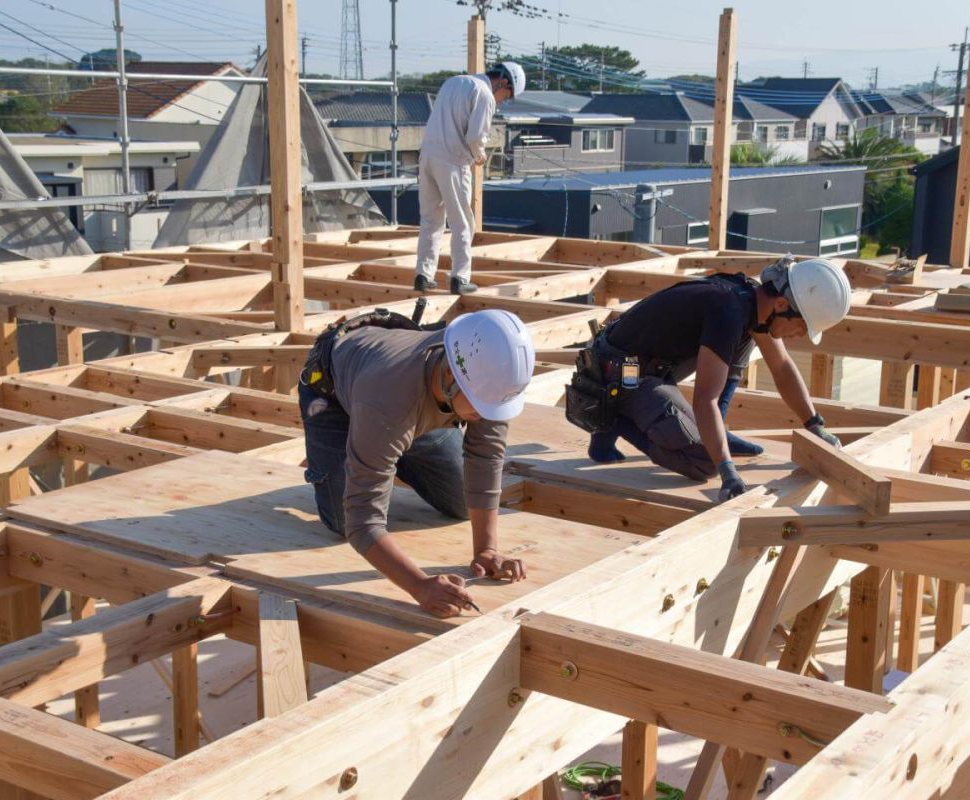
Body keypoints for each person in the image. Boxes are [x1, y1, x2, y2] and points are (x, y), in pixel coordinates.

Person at [298, 308, 535, 618]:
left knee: (460, 502)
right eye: (481, 407)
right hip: (334, 395)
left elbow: (486, 456)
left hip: (402, 406)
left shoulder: (489, 382)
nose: (488, 416)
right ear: (451, 375)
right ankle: (370, 458)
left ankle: (384, 455)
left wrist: (487, 550)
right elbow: (362, 522)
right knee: (342, 520)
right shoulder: (386, 399)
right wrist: (419, 585)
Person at [574, 256, 852, 501]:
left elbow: (781, 367)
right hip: (623, 374)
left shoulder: (751, 301)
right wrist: (727, 472)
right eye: (802, 326)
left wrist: (814, 425)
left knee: (748, 339)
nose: (800, 335)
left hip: (647, 366)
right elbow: (705, 399)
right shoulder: (728, 313)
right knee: (704, 463)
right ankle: (613, 419)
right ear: (782, 304)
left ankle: (711, 433)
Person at [413, 61, 526, 296]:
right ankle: (460, 277)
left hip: (427, 157)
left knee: (431, 220)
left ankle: (423, 275)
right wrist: (480, 154)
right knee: (462, 222)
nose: (504, 99)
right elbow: (475, 135)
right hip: (453, 160)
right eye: (507, 94)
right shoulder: (485, 94)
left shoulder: (454, 81)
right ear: (503, 82)